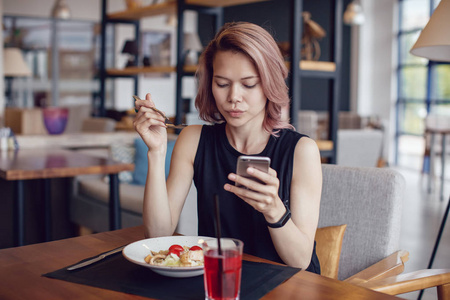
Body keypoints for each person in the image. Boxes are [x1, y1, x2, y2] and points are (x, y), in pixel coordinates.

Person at [134, 22, 322, 273]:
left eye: (248, 84)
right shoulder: (193, 140)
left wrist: (274, 210)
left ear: (269, 84)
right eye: (222, 84)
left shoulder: (302, 151)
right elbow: (157, 233)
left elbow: (300, 261)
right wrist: (156, 153)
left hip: (286, 286)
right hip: (220, 280)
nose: (234, 97)